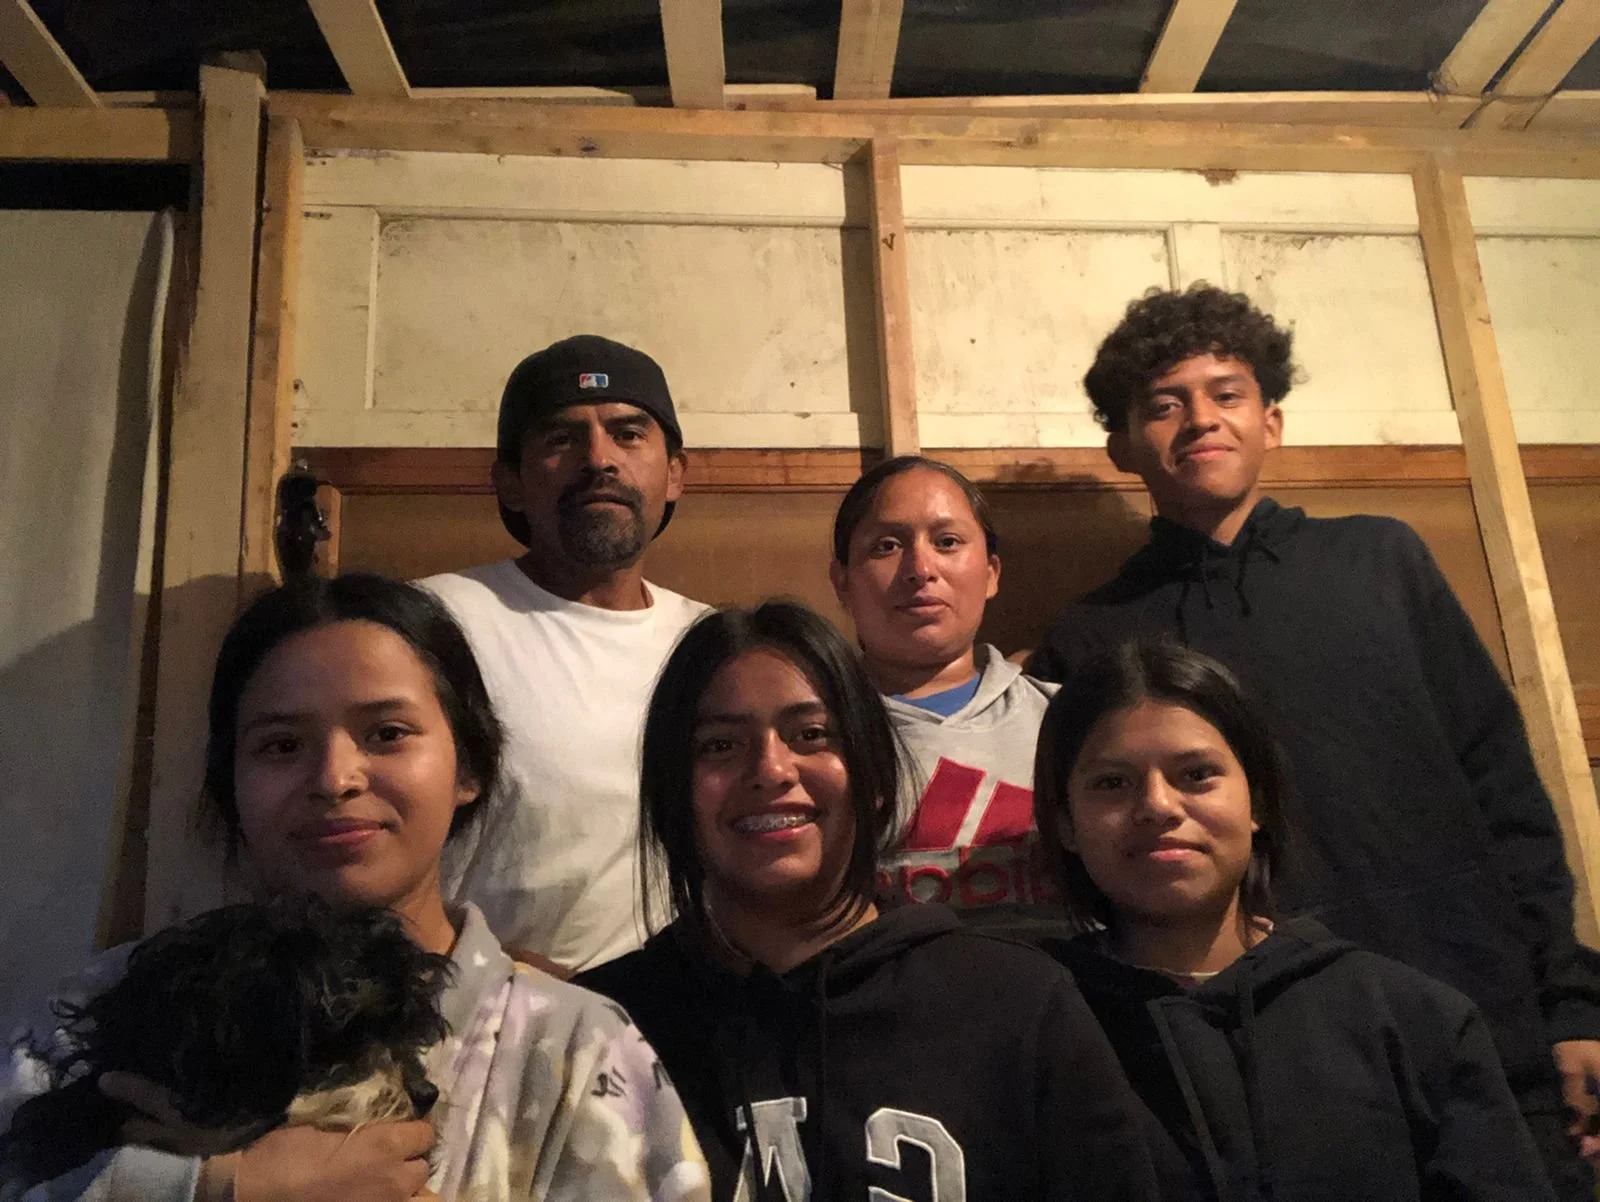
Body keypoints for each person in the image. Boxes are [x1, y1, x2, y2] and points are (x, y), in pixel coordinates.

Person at [1025, 284, 1600, 1196]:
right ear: (1122, 445)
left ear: (1272, 421)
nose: (1200, 420)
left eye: (1227, 394)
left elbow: (1504, 788)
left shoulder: (1383, 561)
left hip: (1484, 1021)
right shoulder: (1096, 639)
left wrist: (1571, 1004)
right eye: (1164, 404)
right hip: (1263, 1073)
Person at [0, 574, 710, 1202]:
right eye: (282, 745)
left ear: (469, 768)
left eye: (387, 733)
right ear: (229, 784)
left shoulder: (577, 1049)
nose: (334, 778)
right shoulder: (94, 1015)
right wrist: (218, 1188)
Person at [575, 601, 1172, 1201]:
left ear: (876, 779)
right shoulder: (599, 1030)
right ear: (672, 792)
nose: (771, 769)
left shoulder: (1018, 1006)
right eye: (721, 745)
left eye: (811, 735)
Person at [1033, 638, 1556, 1201]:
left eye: (1197, 774)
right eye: (1112, 783)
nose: (1158, 805)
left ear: (1257, 801)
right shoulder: (1033, 1029)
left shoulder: (1413, 1020)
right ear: (1065, 822)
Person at [420, 335, 708, 972]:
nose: (599, 459)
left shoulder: (712, 643)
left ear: (675, 474)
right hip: (477, 1006)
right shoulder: (434, 626)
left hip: (686, 1009)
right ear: (510, 483)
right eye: (561, 438)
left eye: (628, 434)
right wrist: (483, 967)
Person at [829, 456, 1060, 928]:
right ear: (843, 581)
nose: (920, 568)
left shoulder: (1069, 718)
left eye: (947, 542)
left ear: (991, 572)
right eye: (887, 546)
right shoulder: (808, 738)